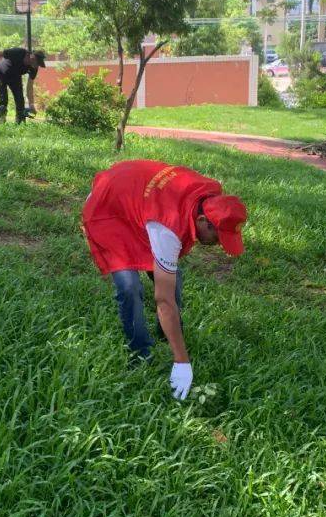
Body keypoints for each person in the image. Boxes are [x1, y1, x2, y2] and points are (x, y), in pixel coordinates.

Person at [81, 160, 248, 401]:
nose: (219, 244)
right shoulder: (167, 227)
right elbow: (163, 300)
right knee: (130, 287)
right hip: (109, 209)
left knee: (172, 278)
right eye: (218, 236)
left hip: (137, 199)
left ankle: (167, 332)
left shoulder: (207, 194)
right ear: (202, 221)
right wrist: (182, 361)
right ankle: (140, 353)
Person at [0, 47, 46, 124]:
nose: (37, 66)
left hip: (15, 77)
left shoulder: (34, 68)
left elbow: (29, 87)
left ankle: (19, 123)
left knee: (20, 100)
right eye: (38, 63)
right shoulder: (19, 52)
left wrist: (31, 104)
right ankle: (1, 122)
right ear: (32, 57)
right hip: (1, 74)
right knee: (3, 99)